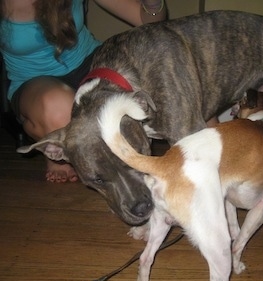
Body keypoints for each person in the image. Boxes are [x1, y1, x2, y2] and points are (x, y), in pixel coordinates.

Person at [0, 0, 167, 183]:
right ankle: (55, 144)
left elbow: (148, 22)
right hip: (32, 80)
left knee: (155, 84)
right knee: (59, 109)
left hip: (90, 62)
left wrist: (152, 4)